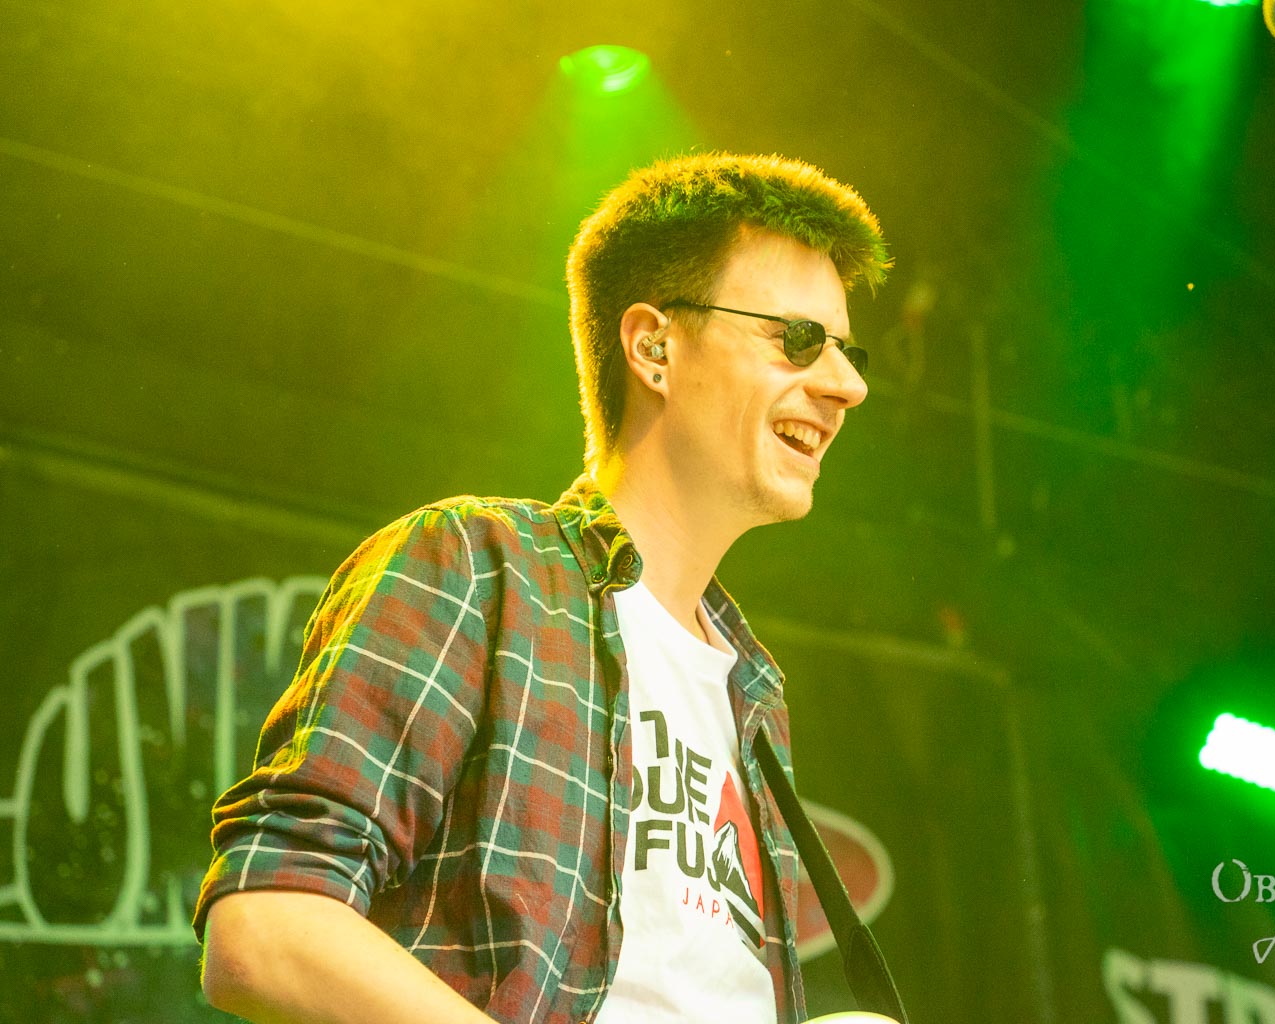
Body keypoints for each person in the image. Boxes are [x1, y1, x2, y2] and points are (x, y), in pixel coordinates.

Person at [195, 151, 890, 1024]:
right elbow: (268, 926)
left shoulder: (754, 693)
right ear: (654, 347)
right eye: (798, 340)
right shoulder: (479, 566)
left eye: (848, 352)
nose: (847, 385)